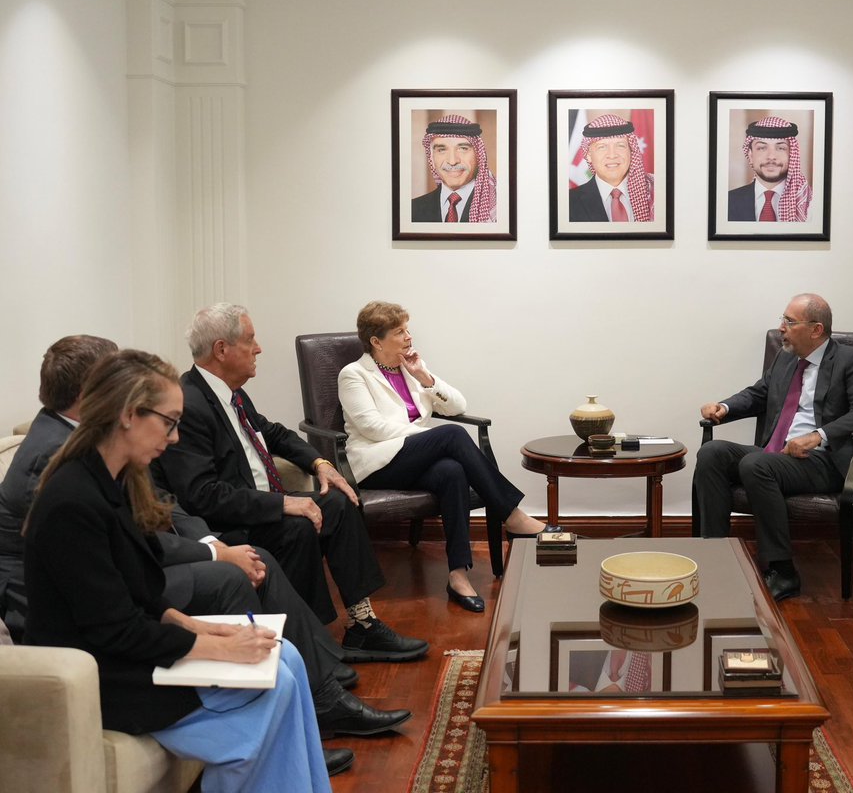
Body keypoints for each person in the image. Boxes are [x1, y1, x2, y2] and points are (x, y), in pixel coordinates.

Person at [0, 336, 410, 769]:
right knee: (258, 629)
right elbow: (114, 624)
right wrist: (217, 641)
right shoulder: (67, 486)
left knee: (282, 649)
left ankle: (329, 668)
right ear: (122, 409)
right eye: (168, 423)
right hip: (108, 664)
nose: (174, 437)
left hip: (124, 629)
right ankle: (321, 696)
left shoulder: (113, 471)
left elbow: (144, 574)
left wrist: (208, 627)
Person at [155, 303, 429, 664]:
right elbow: (202, 496)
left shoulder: (228, 392)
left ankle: (363, 625)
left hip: (259, 503)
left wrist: (320, 463)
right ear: (222, 350)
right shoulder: (190, 403)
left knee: (338, 503)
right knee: (299, 526)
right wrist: (284, 504)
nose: (259, 348)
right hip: (223, 526)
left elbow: (272, 433)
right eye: (250, 340)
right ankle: (310, 646)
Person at [337, 301, 555, 612]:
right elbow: (371, 427)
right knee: (450, 435)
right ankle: (512, 515)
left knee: (452, 470)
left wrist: (425, 376)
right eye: (400, 332)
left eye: (407, 329)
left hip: (410, 459)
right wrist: (429, 438)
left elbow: (457, 406)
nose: (409, 337)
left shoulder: (408, 369)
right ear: (376, 340)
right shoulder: (354, 375)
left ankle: (458, 575)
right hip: (376, 463)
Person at [692, 293, 853, 601]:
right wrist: (725, 407)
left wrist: (818, 435)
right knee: (712, 453)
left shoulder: (848, 360)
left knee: (756, 464)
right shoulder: (786, 357)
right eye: (783, 319)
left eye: (789, 322)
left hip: (822, 461)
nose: (781, 328)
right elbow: (759, 393)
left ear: (816, 329)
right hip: (777, 454)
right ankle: (716, 555)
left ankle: (783, 570)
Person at [411, 114, 497, 223]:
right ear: (432, 158)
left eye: (463, 148)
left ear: (478, 155)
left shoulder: (499, 207)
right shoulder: (412, 210)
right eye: (442, 150)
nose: (452, 161)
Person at [568, 114, 654, 223]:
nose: (612, 155)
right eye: (602, 147)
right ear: (588, 155)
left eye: (620, 145)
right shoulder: (567, 203)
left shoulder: (656, 193)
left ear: (631, 151)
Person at [727, 116, 812, 222]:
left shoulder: (811, 203)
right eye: (762, 148)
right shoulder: (726, 202)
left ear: (792, 155)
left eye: (780, 148)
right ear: (750, 155)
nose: (771, 156)